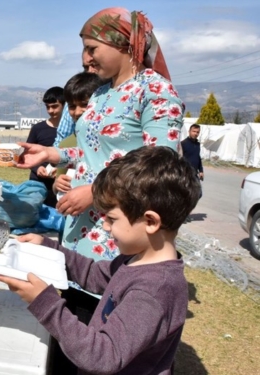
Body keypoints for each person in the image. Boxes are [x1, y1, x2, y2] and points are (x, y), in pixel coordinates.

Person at [0, 146, 200, 375]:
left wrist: (44, 302)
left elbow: (102, 356)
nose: (105, 226)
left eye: (112, 219)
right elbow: (94, 275)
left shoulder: (154, 290)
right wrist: (49, 247)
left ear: (151, 222)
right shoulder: (137, 259)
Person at [17, 7, 184, 262]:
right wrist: (50, 154)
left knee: (104, 286)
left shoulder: (155, 90)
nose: (86, 58)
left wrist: (96, 192)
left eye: (92, 48)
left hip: (118, 229)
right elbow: (93, 150)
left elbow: (160, 166)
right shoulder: (100, 93)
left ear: (122, 44)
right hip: (80, 223)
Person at [52, 72, 107, 199]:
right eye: (72, 106)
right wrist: (57, 184)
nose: (77, 112)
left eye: (84, 104)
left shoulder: (113, 141)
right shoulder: (67, 143)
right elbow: (58, 181)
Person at [26, 87, 64, 207]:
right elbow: (26, 154)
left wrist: (61, 170)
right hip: (38, 183)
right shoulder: (38, 129)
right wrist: (37, 168)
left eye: (55, 106)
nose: (50, 110)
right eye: (48, 107)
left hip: (60, 185)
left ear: (65, 105)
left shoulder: (73, 130)